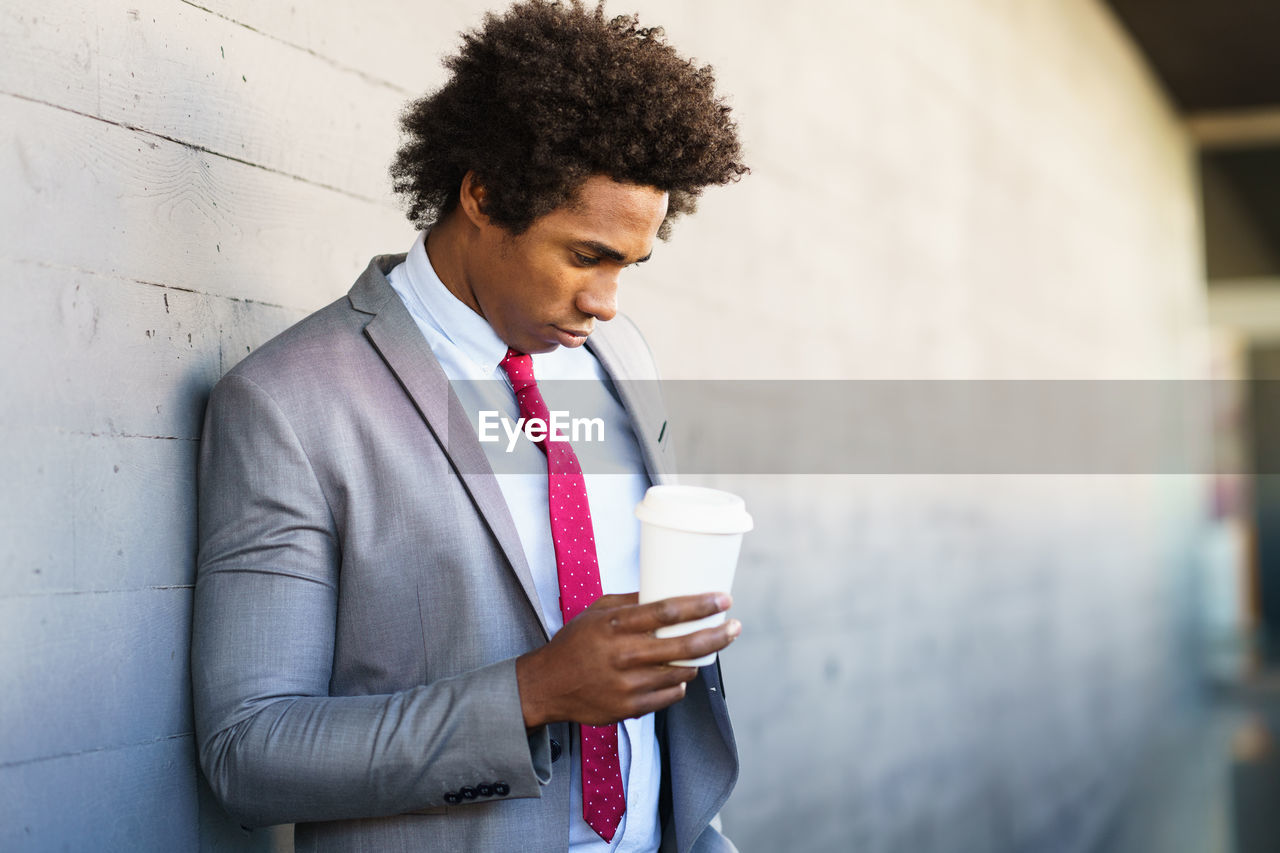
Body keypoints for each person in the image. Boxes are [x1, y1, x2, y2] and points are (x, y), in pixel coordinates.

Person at [192, 2, 749, 851]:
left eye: (630, 264)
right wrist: (533, 690)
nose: (605, 302)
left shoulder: (620, 357)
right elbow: (249, 754)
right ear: (483, 195)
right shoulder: (288, 403)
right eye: (584, 254)